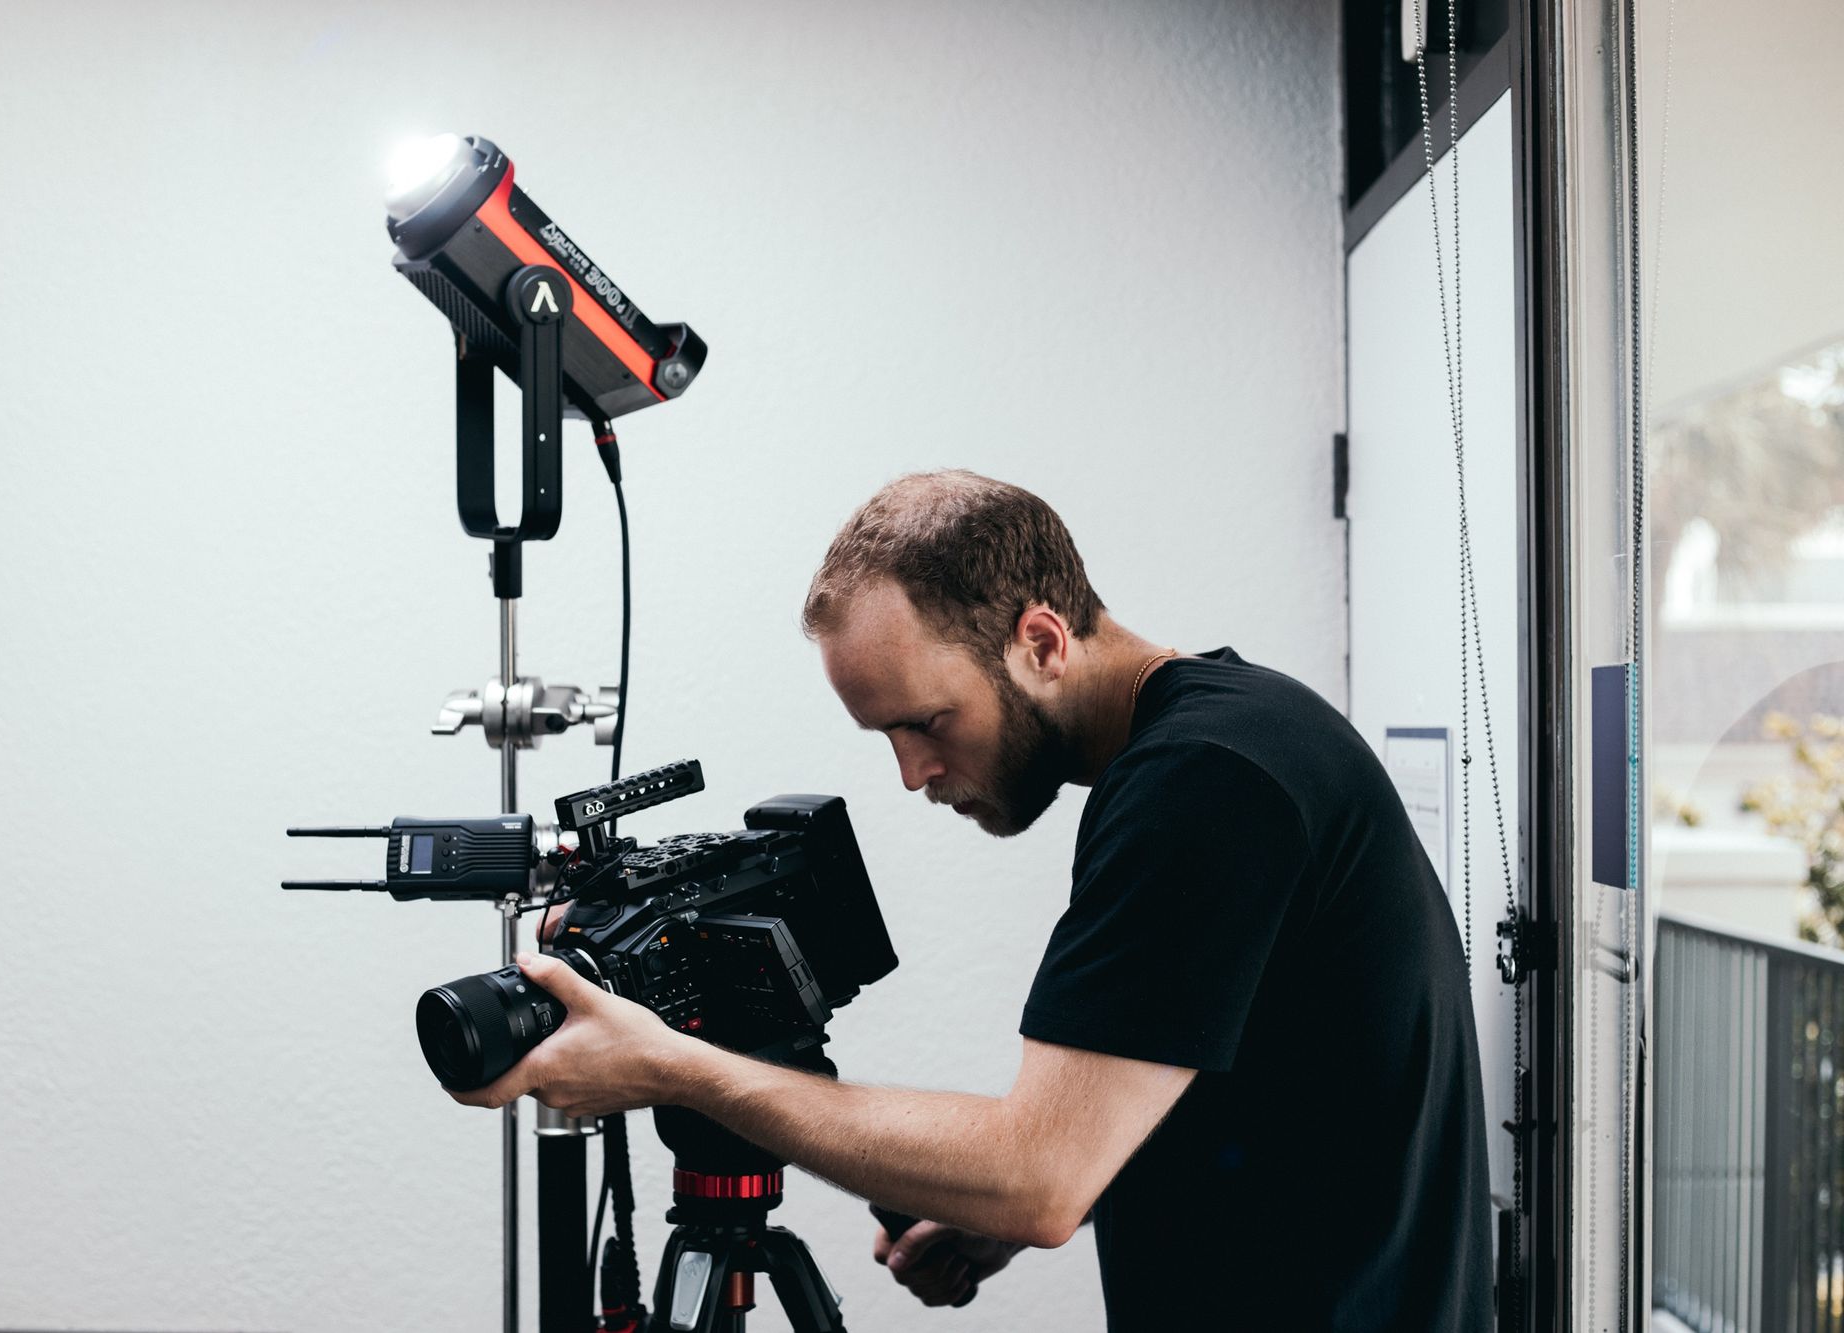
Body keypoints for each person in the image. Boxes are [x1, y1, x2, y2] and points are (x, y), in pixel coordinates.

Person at [450, 470, 1494, 1329]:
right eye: (885, 738)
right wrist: (1020, 1205)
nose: (911, 773)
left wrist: (670, 1067)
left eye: (927, 722)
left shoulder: (1202, 786)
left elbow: (1034, 1175)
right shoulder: (1243, 734)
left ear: (1040, 643)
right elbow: (1253, 1091)